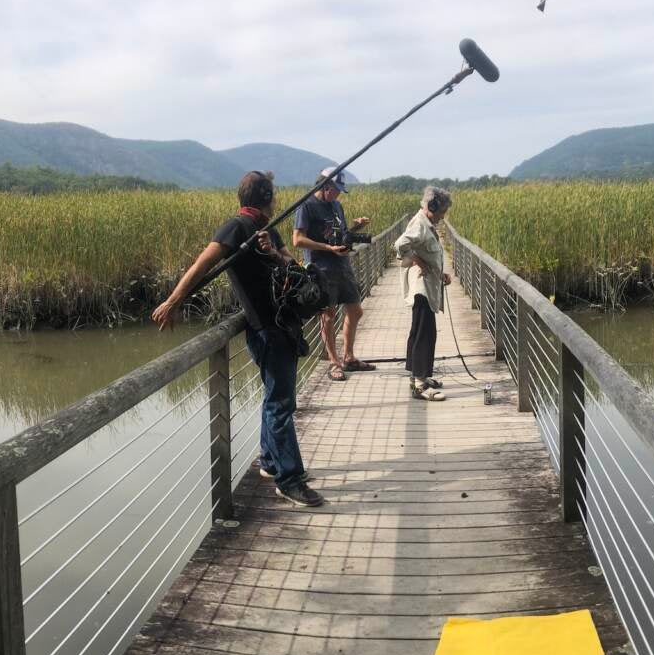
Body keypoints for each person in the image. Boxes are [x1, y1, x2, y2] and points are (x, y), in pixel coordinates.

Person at [151, 170, 323, 507]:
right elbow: (203, 263)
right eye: (273, 194)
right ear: (266, 197)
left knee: (276, 399)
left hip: (281, 325)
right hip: (268, 330)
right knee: (281, 404)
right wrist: (173, 301)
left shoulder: (268, 230)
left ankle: (272, 465)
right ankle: (290, 480)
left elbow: (291, 268)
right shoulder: (236, 227)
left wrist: (273, 251)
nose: (276, 200)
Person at [293, 167, 376, 382]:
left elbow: (341, 235)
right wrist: (327, 248)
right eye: (336, 189)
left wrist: (355, 228)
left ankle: (349, 357)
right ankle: (334, 362)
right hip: (321, 269)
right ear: (325, 186)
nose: (338, 194)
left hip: (342, 265)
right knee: (328, 315)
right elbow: (298, 240)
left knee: (356, 311)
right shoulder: (307, 206)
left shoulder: (336, 205)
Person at [394, 186, 452, 401]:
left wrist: (440, 274)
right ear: (432, 206)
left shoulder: (426, 224)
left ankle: (419, 376)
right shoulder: (420, 223)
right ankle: (420, 385)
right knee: (423, 334)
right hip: (421, 288)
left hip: (427, 285)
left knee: (421, 331)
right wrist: (417, 260)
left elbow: (426, 252)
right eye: (441, 212)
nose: (442, 217)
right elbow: (400, 245)